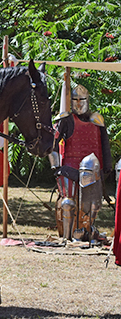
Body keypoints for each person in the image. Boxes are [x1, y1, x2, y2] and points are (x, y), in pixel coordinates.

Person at [49, 83, 112, 241]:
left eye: (82, 99)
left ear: (87, 100)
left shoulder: (97, 119)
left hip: (92, 168)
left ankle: (87, 230)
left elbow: (104, 144)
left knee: (92, 205)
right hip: (70, 167)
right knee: (68, 203)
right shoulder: (66, 119)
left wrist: (107, 166)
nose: (78, 103)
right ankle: (68, 236)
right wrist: (56, 165)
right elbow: (53, 142)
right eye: (75, 99)